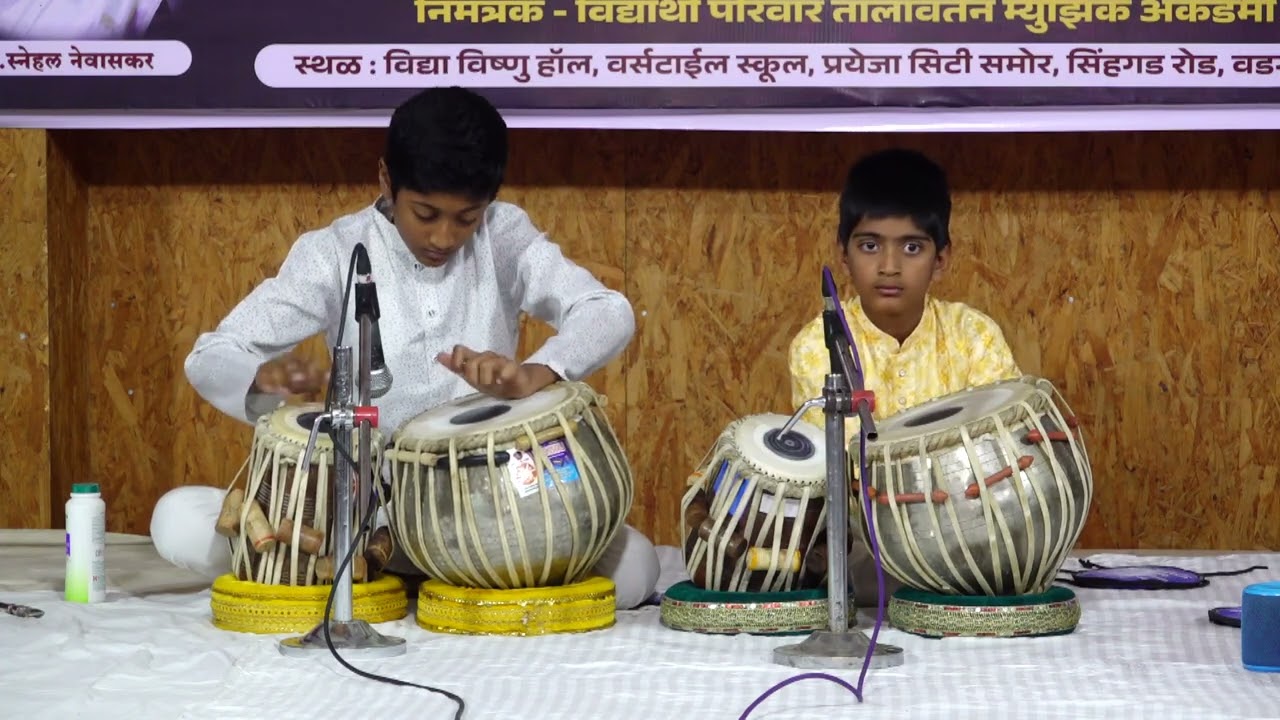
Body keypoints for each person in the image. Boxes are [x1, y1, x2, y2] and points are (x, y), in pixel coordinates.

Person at [150, 86, 660, 610]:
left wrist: (536, 371)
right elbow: (211, 357)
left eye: (466, 218)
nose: (444, 237)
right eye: (425, 213)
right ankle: (377, 565)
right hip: (364, 508)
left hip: (490, 507)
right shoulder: (335, 252)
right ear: (386, 180)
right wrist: (270, 381)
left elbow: (607, 311)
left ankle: (367, 576)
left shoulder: (503, 235)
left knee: (636, 567)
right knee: (176, 520)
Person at [787, 148, 1022, 604]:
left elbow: (1001, 455)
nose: (889, 266)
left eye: (912, 247)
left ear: (941, 259)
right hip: (865, 543)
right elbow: (844, 478)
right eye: (870, 246)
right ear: (844, 254)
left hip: (970, 530)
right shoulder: (820, 344)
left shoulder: (974, 335)